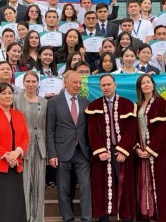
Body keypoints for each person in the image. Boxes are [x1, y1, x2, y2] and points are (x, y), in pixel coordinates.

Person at [85, 74, 137, 222]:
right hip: (103, 154)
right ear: (100, 87)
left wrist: (123, 149)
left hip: (122, 153)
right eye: (103, 85)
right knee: (102, 186)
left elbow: (131, 130)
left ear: (115, 85)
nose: (106, 88)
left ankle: (127, 218)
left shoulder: (128, 104)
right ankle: (104, 218)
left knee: (125, 185)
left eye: (109, 84)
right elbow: (92, 131)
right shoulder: (93, 106)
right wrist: (100, 150)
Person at [46, 71, 92, 222]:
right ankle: (68, 218)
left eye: (80, 82)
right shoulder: (53, 102)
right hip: (61, 152)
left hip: (82, 152)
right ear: (65, 82)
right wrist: (51, 153)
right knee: (64, 189)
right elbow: (50, 129)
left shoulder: (85, 102)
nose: (78, 85)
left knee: (85, 186)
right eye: (75, 82)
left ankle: (86, 219)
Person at [0, 83, 30, 222]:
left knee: (14, 204)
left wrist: (17, 152)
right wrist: (7, 156)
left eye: (10, 93)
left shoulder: (19, 115)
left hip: (15, 165)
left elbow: (26, 137)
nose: (8, 96)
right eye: (3, 93)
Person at [134, 74, 166, 222]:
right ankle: (146, 213)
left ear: (153, 84)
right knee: (143, 182)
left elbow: (163, 130)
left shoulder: (161, 103)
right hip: (141, 151)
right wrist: (137, 148)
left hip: (158, 152)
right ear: (139, 87)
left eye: (148, 82)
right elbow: (134, 130)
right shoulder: (137, 105)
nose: (146, 85)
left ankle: (160, 216)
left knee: (160, 183)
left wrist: (150, 150)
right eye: (143, 83)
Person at [14, 72, 48, 222]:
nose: (31, 84)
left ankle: (38, 218)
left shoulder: (45, 102)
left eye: (34, 81)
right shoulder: (16, 100)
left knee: (39, 184)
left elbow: (46, 126)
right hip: (22, 144)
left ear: (38, 83)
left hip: (40, 143)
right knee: (24, 183)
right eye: (28, 81)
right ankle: (24, 217)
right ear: (23, 83)